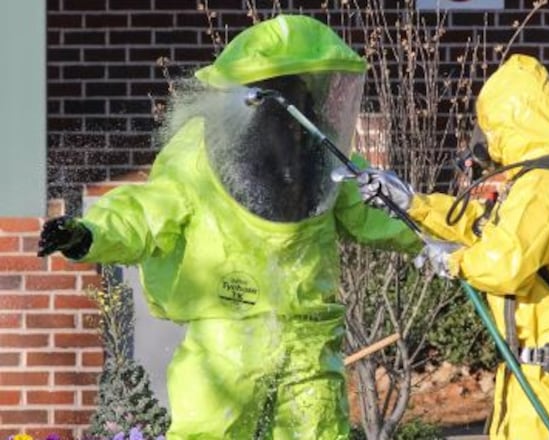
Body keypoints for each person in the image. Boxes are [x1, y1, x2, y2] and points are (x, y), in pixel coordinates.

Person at [37, 15, 420, 440]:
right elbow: (148, 211)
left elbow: (376, 210)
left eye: (301, 93)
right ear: (257, 99)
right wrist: (90, 234)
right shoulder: (202, 152)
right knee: (209, 430)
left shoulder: (322, 150)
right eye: (286, 94)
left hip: (309, 328)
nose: (294, 113)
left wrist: (443, 233)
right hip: (227, 329)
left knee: (317, 432)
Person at [352, 54, 549, 439]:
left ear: (512, 120)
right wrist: (413, 203)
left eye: (491, 127)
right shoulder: (547, 181)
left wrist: (453, 261)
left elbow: (503, 262)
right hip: (539, 375)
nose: (487, 141)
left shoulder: (546, 187)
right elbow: (482, 225)